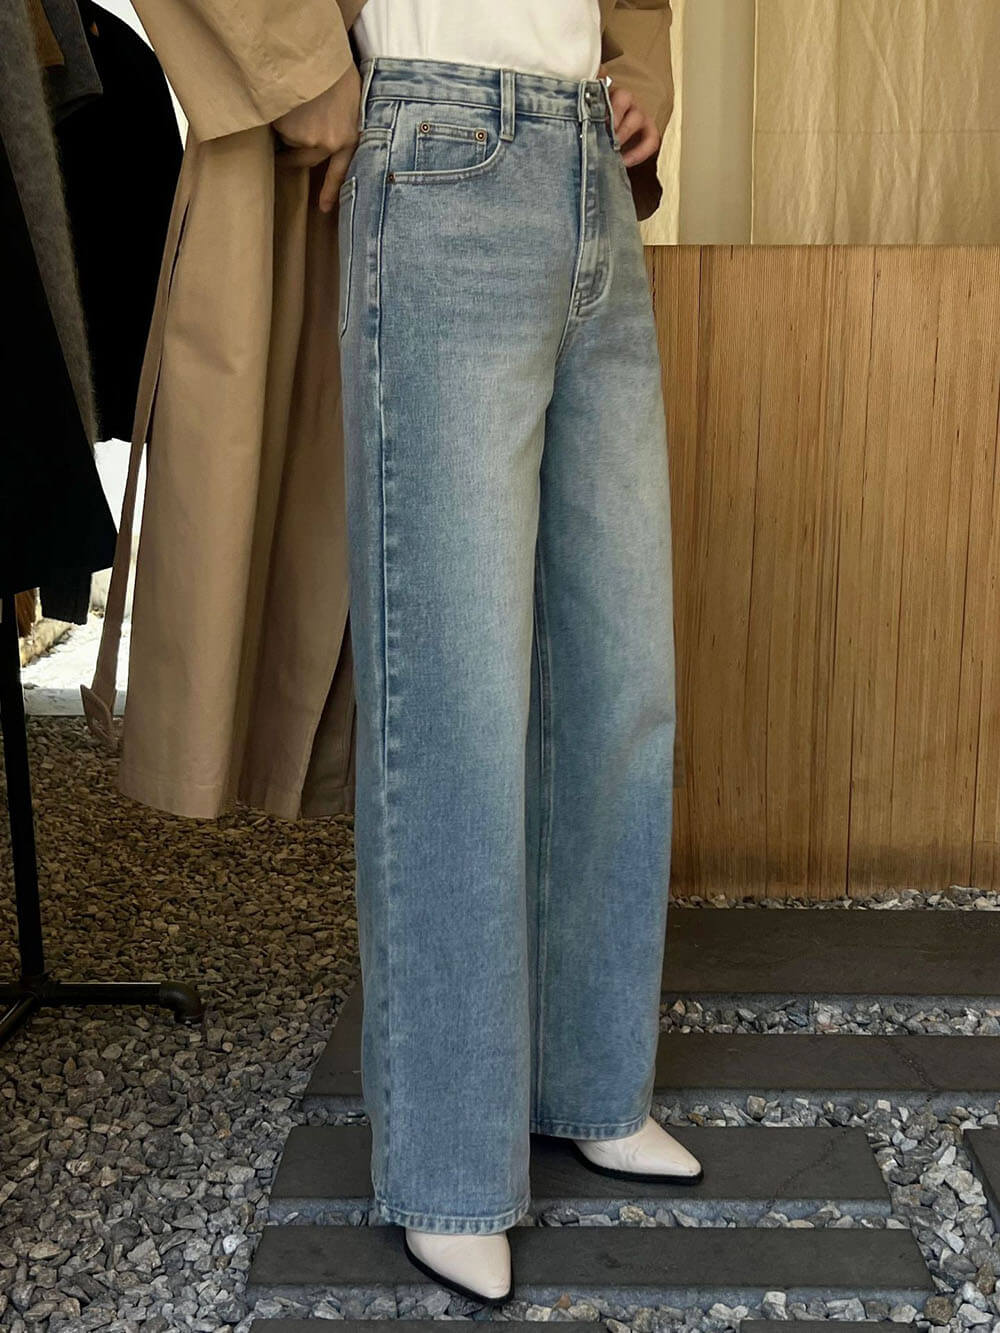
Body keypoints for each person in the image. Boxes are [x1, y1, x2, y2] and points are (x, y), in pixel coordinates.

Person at [270, 0, 702, 1305]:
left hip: (588, 166)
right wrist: (302, 66)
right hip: (440, 144)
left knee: (618, 671)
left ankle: (591, 1082)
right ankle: (450, 1162)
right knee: (452, 680)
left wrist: (640, 66)